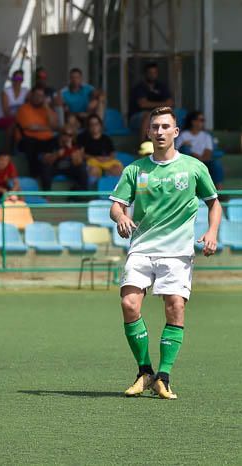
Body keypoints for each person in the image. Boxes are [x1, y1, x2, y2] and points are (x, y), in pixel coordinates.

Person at [110, 106, 222, 400]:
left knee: (175, 307)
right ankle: (144, 371)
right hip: (142, 247)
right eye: (155, 127)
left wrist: (211, 232)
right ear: (148, 132)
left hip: (177, 252)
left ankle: (164, 376)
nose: (159, 132)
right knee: (129, 303)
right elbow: (116, 205)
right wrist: (121, 216)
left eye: (165, 127)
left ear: (176, 132)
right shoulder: (135, 169)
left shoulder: (194, 167)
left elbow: (214, 203)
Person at [16, 85, 59, 180]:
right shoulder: (24, 109)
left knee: (58, 143)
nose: (39, 98)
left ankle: (52, 172)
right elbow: (30, 127)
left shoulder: (47, 109)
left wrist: (47, 107)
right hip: (29, 140)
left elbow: (54, 126)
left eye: (41, 96)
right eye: (37, 95)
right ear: (31, 95)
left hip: (47, 140)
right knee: (30, 145)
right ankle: (34, 175)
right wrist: (49, 128)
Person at [176, 111, 223, 190]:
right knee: (184, 148)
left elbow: (208, 154)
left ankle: (219, 191)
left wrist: (197, 159)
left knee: (216, 164)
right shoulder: (183, 135)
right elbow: (177, 152)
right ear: (193, 121)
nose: (202, 122)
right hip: (187, 162)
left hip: (203, 161)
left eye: (203, 120)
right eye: (200, 120)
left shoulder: (206, 136)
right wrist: (192, 154)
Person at [129, 62, 173, 141]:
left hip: (157, 114)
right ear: (145, 74)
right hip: (137, 117)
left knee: (170, 115)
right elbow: (143, 104)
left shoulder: (161, 86)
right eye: (150, 73)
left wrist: (152, 105)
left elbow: (170, 103)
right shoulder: (139, 87)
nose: (152, 75)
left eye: (155, 72)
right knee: (149, 115)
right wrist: (163, 105)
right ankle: (142, 144)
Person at [77, 114, 123, 180]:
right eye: (91, 124)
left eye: (96, 124)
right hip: (93, 162)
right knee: (94, 171)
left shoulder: (106, 138)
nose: (94, 126)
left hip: (107, 161)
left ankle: (108, 182)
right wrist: (96, 158)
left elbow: (113, 153)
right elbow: (82, 154)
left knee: (119, 169)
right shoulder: (84, 139)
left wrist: (108, 158)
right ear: (88, 127)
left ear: (100, 125)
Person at [0, 70, 29, 148]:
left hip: (18, 119)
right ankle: (7, 150)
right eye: (16, 78)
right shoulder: (6, 92)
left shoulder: (26, 91)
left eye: (20, 78)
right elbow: (6, 113)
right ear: (12, 79)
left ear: (23, 80)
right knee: (13, 125)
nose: (18, 80)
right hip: (1, 119)